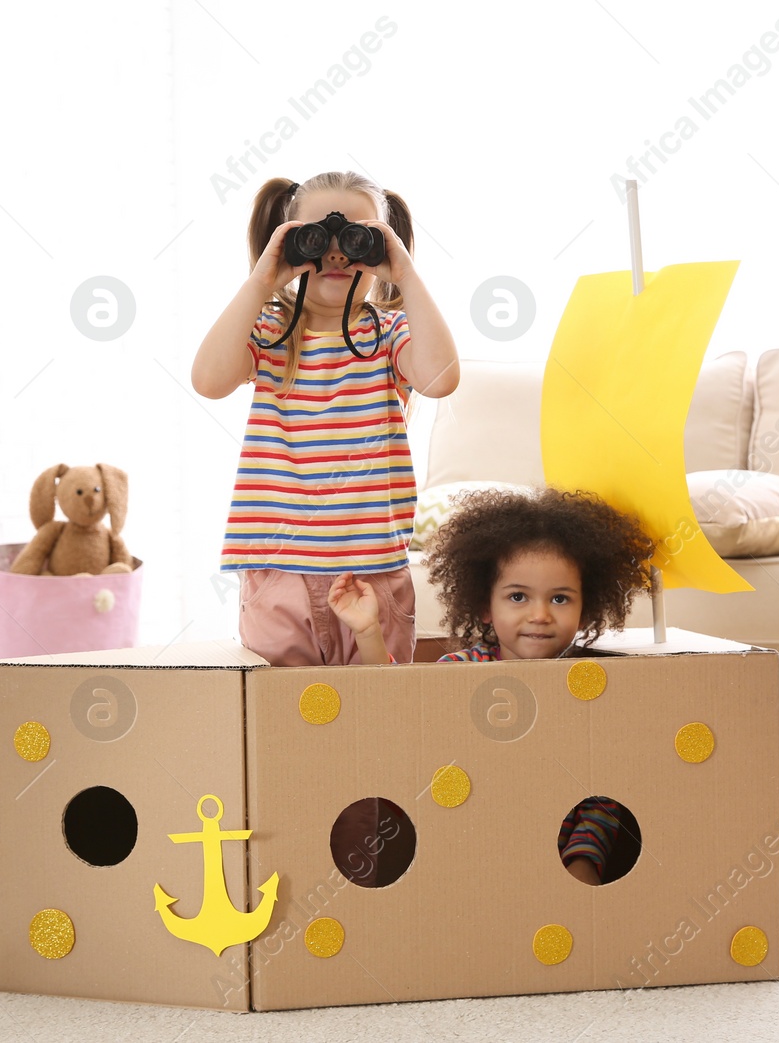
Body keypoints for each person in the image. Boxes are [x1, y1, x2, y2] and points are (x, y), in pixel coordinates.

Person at [192, 170, 459, 667]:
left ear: (383, 246)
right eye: (315, 238)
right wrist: (262, 281)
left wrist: (404, 275)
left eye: (359, 238)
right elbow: (209, 380)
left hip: (372, 566)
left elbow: (440, 378)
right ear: (289, 243)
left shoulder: (389, 331)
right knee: (283, 715)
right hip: (278, 570)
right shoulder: (273, 331)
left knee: (380, 712)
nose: (337, 253)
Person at [329, 486, 654, 885]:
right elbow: (400, 701)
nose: (539, 615)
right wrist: (368, 632)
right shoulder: (464, 670)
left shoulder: (590, 684)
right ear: (486, 606)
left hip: (561, 853)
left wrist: (582, 864)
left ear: (585, 608)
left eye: (560, 599)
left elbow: (606, 790)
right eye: (518, 596)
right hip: (472, 840)